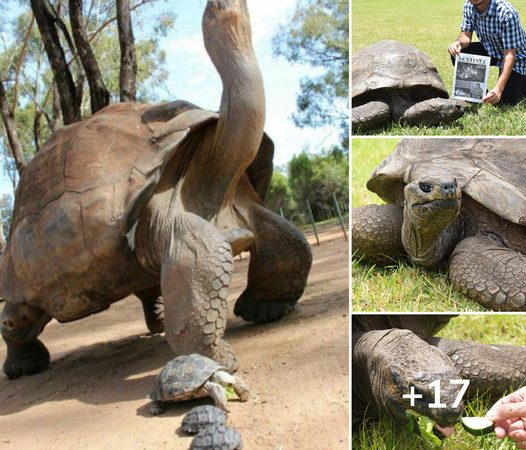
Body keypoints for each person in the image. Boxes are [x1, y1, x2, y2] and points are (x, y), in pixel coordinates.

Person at [448, 0, 526, 105]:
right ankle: (477, 95)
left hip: (517, 58)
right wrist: (457, 43)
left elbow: (510, 55)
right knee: (460, 52)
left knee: (504, 102)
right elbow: (465, 36)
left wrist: (499, 88)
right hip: (491, 49)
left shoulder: (506, 12)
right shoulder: (469, 4)